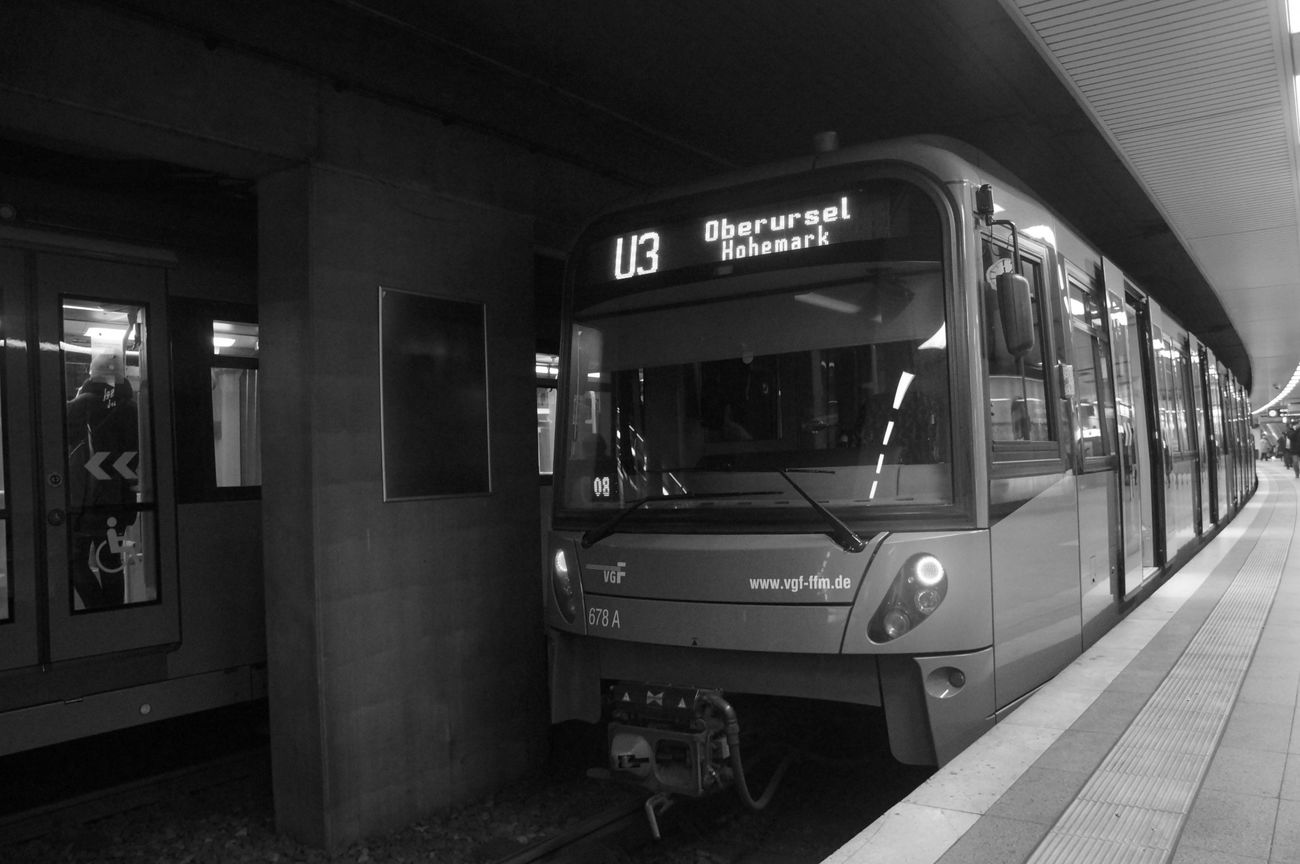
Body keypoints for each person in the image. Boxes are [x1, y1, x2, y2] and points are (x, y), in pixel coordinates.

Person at [65, 352, 139, 609]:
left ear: (91, 373)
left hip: (84, 503)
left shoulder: (80, 405)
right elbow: (132, 458)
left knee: (72, 562)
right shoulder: (131, 408)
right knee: (111, 564)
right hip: (118, 503)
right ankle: (113, 619)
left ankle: (98, 611)